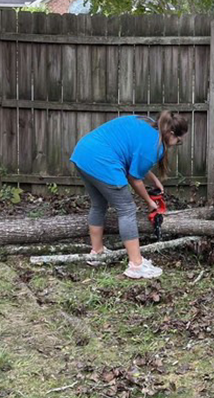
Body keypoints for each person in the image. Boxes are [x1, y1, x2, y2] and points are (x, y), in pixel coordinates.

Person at [70, 111, 188, 279]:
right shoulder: (155, 146)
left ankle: (96, 253)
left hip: (83, 154)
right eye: (178, 140)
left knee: (98, 204)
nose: (177, 143)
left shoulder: (145, 122)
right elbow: (134, 178)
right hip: (103, 161)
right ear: (170, 133)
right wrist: (149, 202)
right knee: (127, 209)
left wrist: (154, 181)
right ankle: (136, 265)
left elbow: (134, 158)